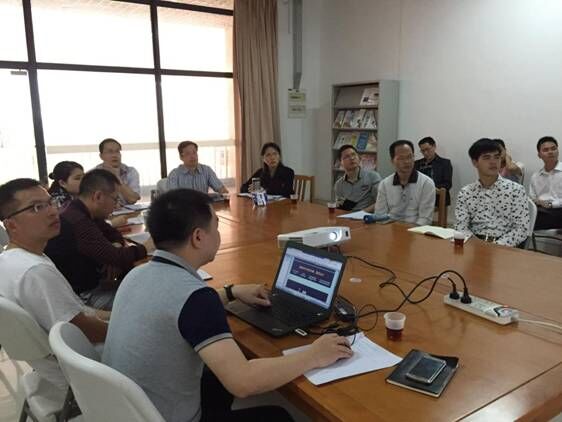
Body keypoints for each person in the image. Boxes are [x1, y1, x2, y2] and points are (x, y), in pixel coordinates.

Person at [102, 189, 353, 422]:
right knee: (278, 416)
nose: (218, 234)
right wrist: (313, 354)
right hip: (163, 416)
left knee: (216, 379)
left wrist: (231, 292)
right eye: (216, 226)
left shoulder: (137, 274)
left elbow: (176, 307)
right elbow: (243, 382)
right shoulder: (196, 299)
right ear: (198, 237)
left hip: (123, 410)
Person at [0, 178, 108, 390]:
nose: (52, 212)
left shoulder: (10, 259)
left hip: (55, 369)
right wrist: (126, 327)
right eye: (37, 207)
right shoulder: (34, 271)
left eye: (50, 203)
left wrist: (117, 316)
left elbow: (77, 313)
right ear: (11, 224)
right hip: (86, 369)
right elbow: (84, 330)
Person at [45, 169, 149, 310]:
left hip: (93, 282)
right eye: (115, 199)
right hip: (82, 297)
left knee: (142, 283)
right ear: (98, 196)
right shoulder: (77, 220)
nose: (116, 205)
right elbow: (117, 257)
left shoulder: (79, 209)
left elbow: (113, 234)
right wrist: (146, 248)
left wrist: (115, 247)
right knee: (151, 296)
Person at [455, 138, 529, 247]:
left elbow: (521, 229)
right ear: (475, 162)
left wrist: (495, 246)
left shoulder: (516, 190)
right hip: (474, 247)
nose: (493, 162)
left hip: (504, 247)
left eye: (497, 157)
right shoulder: (466, 193)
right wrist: (478, 246)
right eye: (486, 157)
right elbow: (461, 227)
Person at [375, 140, 435, 225]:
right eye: (401, 158)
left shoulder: (426, 183)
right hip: (390, 228)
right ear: (392, 161)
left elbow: (425, 219)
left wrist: (408, 231)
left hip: (416, 229)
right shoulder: (385, 184)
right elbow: (380, 215)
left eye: (410, 157)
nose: (406, 161)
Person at [334, 144, 381, 212]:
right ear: (341, 162)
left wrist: (361, 213)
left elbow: (381, 201)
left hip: (368, 216)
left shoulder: (373, 176)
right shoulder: (339, 185)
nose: (352, 158)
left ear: (359, 157)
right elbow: (341, 207)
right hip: (348, 216)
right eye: (347, 156)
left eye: (353, 154)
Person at [529, 136, 562, 230]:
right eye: (546, 150)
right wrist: (537, 201)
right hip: (541, 211)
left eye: (553, 148)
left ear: (558, 151)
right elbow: (532, 198)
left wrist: (552, 204)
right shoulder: (536, 176)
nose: (550, 152)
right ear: (539, 155)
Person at [96, 138, 141, 204]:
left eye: (117, 151)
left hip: (127, 210)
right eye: (110, 152)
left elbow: (133, 199)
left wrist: (116, 177)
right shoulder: (94, 174)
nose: (115, 155)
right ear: (101, 156)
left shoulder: (131, 171)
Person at [414, 137, 453, 206]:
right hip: (419, 200)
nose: (425, 153)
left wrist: (429, 188)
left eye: (427, 149)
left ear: (434, 146)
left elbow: (447, 184)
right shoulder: (416, 164)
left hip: (438, 200)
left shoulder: (445, 163)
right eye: (422, 151)